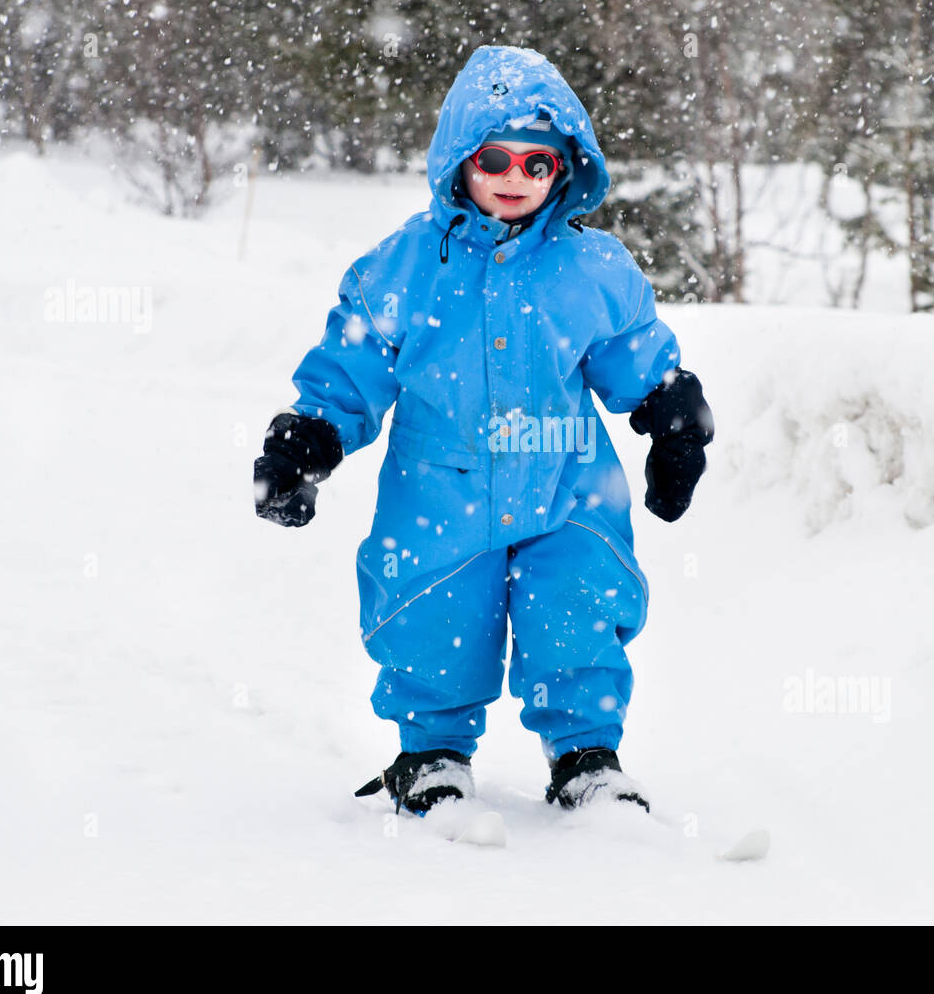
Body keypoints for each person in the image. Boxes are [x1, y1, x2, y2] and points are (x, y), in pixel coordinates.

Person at [253, 45, 713, 817]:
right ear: (460, 157)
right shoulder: (406, 267)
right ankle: (430, 752)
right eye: (496, 156)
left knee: (577, 611)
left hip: (566, 489)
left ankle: (587, 755)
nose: (515, 177)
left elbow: (636, 354)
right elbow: (352, 365)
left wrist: (671, 421)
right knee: (434, 615)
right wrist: (309, 438)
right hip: (441, 493)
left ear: (566, 171)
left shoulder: (589, 268)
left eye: (539, 163)